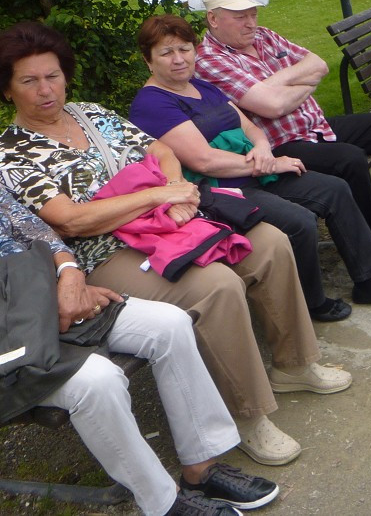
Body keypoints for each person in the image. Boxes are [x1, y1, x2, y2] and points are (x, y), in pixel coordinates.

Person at [0, 21, 353, 467]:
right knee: (217, 285)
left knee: (269, 242)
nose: (45, 89)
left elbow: (161, 151)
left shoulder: (93, 113)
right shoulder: (13, 152)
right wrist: (157, 195)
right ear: (9, 90)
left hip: (167, 225)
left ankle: (295, 364)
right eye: (28, 81)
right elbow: (72, 221)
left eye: (52, 75)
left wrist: (174, 190)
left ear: (66, 75)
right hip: (108, 254)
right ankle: (248, 415)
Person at [0, 189, 280, 516]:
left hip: (34, 294)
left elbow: (32, 229)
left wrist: (69, 277)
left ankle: (200, 468)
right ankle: (163, 503)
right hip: (12, 337)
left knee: (169, 324)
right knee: (97, 381)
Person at [129, 15, 371, 310]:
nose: (178, 59)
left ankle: (367, 279)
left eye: (185, 49)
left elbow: (250, 128)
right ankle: (310, 302)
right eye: (166, 52)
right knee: (299, 221)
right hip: (217, 191)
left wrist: (264, 148)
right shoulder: (153, 104)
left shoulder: (202, 87)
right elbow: (204, 160)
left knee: (335, 189)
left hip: (253, 171)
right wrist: (271, 164)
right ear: (148, 60)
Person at [193, 0, 371, 251]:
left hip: (314, 125)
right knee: (350, 159)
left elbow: (318, 65)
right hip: (279, 144)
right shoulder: (209, 60)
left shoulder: (265, 36)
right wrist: (305, 84)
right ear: (213, 19)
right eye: (240, 17)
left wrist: (275, 84)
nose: (250, 23)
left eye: (253, 14)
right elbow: (272, 108)